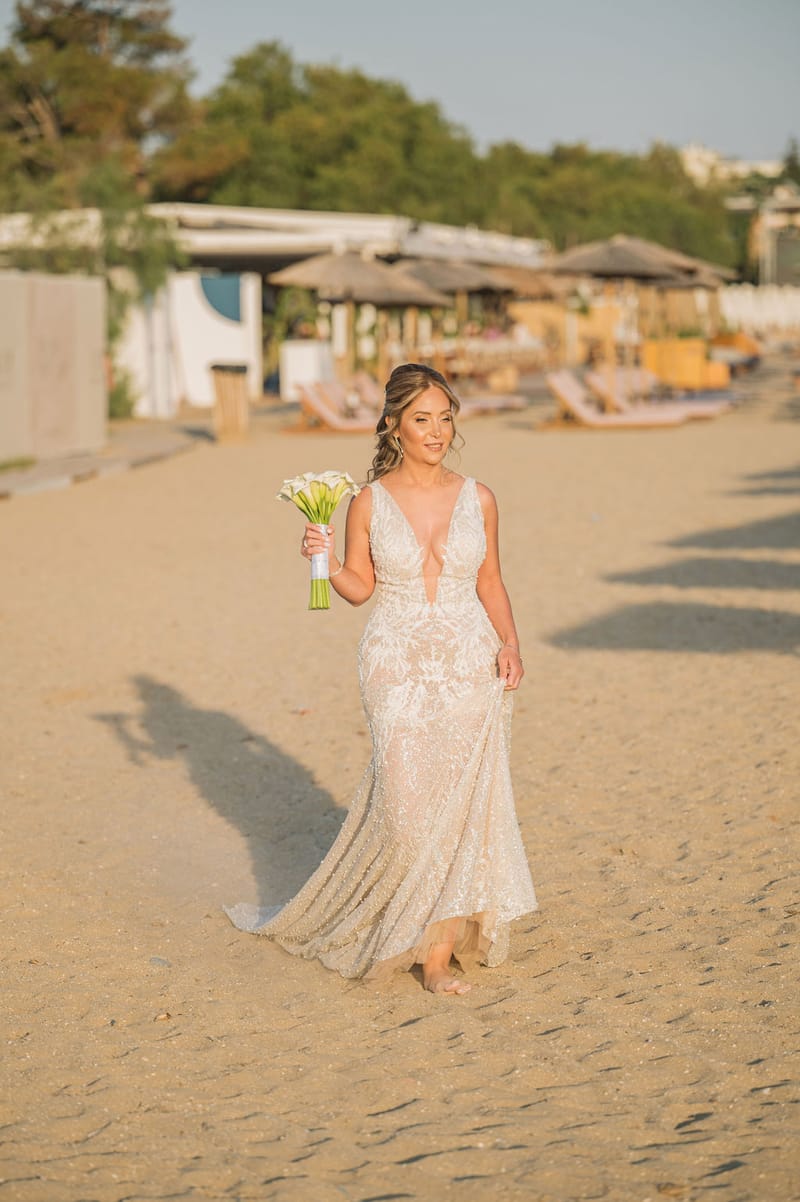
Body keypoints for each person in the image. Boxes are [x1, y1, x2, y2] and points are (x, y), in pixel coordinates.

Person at [225, 363, 537, 995]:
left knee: (463, 806)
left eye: (445, 418)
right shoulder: (367, 501)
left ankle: (437, 953)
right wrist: (325, 561)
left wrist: (510, 642)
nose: (437, 431)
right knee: (405, 808)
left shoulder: (481, 497)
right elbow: (359, 590)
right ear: (394, 425)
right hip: (393, 663)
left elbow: (490, 581)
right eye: (422, 419)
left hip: (468, 662)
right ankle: (398, 922)